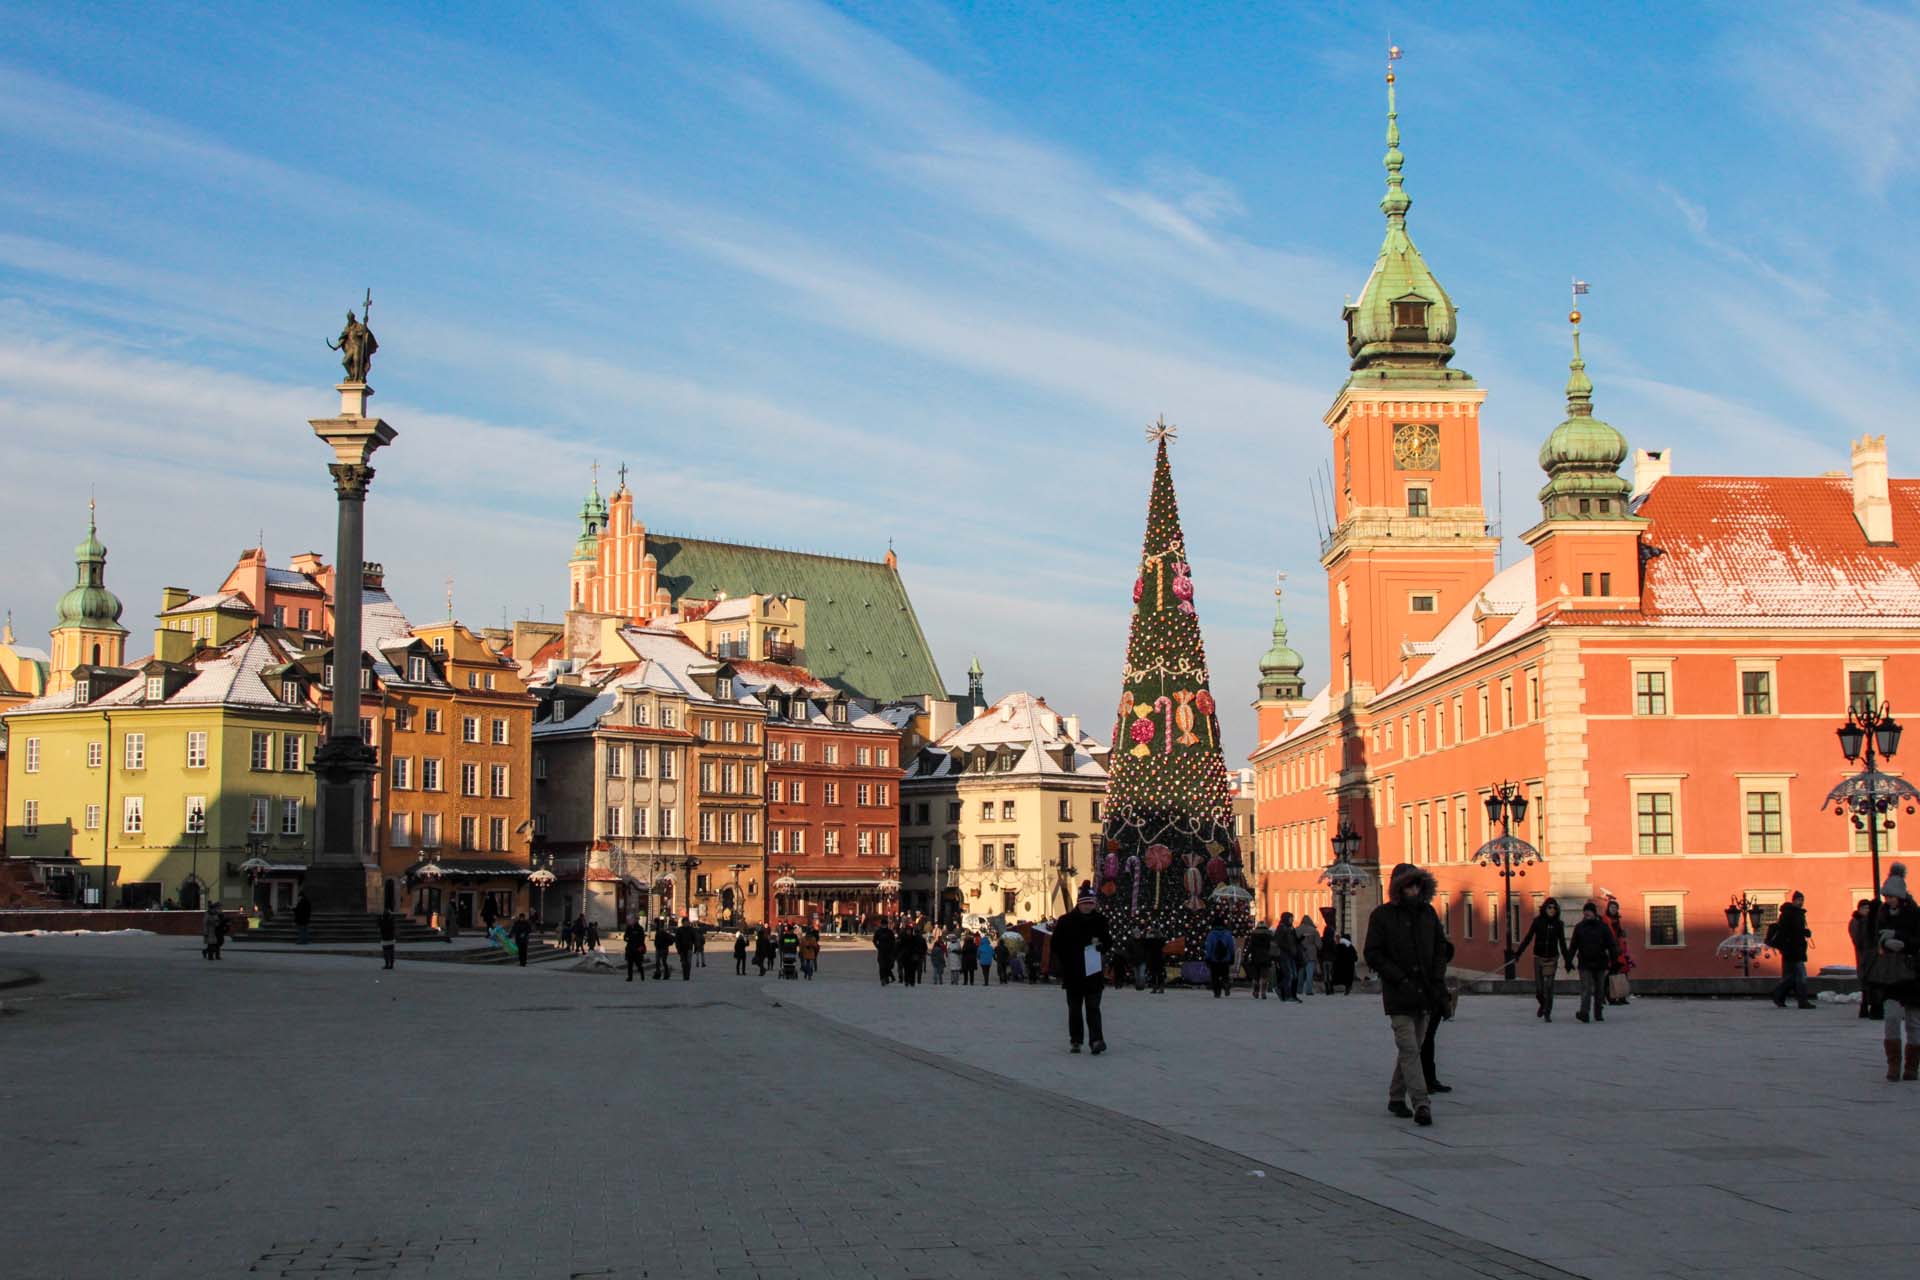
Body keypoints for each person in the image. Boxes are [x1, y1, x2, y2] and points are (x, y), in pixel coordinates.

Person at [1363, 863, 1449, 1126]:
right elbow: (1373, 953)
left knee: (1413, 1047)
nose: (1413, 890)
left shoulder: (1428, 914)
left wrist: (1437, 977)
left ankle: (1396, 1096)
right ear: (1399, 887)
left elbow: (1440, 948)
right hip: (1399, 994)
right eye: (1409, 885)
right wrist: (1398, 977)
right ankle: (1421, 1102)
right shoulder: (1382, 916)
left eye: (1417, 885)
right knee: (1410, 1048)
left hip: (1425, 993)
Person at [1053, 883, 1114, 1054]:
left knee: (1093, 1008)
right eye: (1085, 903)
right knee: (1074, 1010)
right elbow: (1056, 944)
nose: (1088, 906)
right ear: (1079, 903)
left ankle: (1096, 1040)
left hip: (1093, 973)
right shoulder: (1065, 921)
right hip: (1073, 973)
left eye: (1091, 903)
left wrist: (1102, 946)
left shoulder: (1100, 921)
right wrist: (1064, 962)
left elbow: (1108, 941)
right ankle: (1076, 1040)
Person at [1873, 863, 1920, 1081]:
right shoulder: (1881, 914)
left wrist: (1900, 939)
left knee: (1913, 1022)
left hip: (1913, 973)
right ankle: (1893, 1065)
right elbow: (1872, 938)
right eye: (1886, 896)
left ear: (1900, 896)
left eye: (1891, 897)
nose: (1888, 900)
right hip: (1891, 973)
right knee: (1891, 1018)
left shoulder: (1915, 914)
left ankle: (1911, 1067)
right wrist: (1884, 943)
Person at [1513, 899, 1571, 1022]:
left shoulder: (1558, 924)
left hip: (1552, 957)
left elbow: (1562, 943)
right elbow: (1528, 938)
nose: (1552, 910)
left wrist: (1568, 961)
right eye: (1549, 907)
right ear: (1545, 908)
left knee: (1549, 987)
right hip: (1538, 957)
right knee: (1539, 989)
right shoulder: (1537, 922)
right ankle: (1543, 1004)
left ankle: (1547, 1012)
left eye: (1554, 908)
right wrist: (1518, 953)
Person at [1568, 901, 1619, 1023]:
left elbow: (1611, 945)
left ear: (1594, 913)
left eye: (1589, 911)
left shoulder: (1603, 927)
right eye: (1585, 912)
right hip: (1584, 963)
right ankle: (1584, 1012)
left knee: (1599, 989)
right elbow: (1573, 945)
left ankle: (1598, 1012)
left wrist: (1614, 961)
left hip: (1600, 962)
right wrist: (1568, 961)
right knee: (1586, 988)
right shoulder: (1579, 927)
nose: (1587, 914)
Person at [1421, 935, 1457, 1096]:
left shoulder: (1433, 955)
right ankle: (1424, 1081)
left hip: (1432, 1004)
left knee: (1428, 1042)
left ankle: (1430, 1079)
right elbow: (1436, 983)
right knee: (1424, 1043)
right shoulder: (1434, 960)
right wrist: (1444, 1002)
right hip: (1426, 1004)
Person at [1768, 890, 1816, 1009]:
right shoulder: (1791, 914)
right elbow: (1790, 931)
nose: (1801, 902)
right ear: (1794, 900)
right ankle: (1801, 1001)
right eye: (1799, 900)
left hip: (1790, 949)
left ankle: (1779, 996)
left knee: (1790, 977)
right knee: (1801, 976)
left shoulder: (1791, 913)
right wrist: (1804, 932)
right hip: (1793, 949)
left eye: (1802, 900)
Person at [1851, 898, 1882, 1020]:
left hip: (1866, 957)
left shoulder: (1865, 922)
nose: (1867, 910)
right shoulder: (1860, 922)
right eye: (1864, 908)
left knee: (1868, 983)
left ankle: (1865, 1008)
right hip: (1868, 956)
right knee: (1870, 983)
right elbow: (1859, 941)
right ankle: (1871, 1009)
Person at [1604, 898, 1633, 1005]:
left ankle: (1620, 995)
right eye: (1612, 907)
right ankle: (1610, 996)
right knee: (1612, 972)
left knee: (1622, 971)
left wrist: (1622, 934)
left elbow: (1618, 933)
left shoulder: (1617, 920)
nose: (1614, 909)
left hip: (1619, 949)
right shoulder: (1605, 919)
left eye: (1615, 908)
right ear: (1608, 908)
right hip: (1609, 949)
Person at [1273, 912, 1304, 1003]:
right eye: (1291, 918)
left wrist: (1301, 938)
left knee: (1294, 975)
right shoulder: (1281, 928)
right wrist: (1287, 948)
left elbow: (1294, 941)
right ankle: (1286, 994)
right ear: (1286, 918)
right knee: (1289, 975)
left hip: (1292, 955)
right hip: (1284, 955)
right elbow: (1278, 941)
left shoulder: (1291, 928)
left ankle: (1293, 995)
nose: (1292, 920)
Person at [1203, 919, 1236, 997]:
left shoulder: (1211, 934)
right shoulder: (1227, 934)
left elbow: (1208, 947)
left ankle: (1217, 992)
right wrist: (1232, 956)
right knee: (1225, 974)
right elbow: (1231, 946)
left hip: (1214, 959)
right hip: (1225, 959)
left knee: (1215, 976)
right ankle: (1226, 983)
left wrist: (1207, 957)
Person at [1245, 920, 1274, 999]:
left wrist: (1246, 955)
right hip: (1266, 957)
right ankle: (1263, 992)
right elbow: (1271, 946)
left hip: (1255, 957)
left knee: (1256, 976)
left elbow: (1250, 946)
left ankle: (1256, 991)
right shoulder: (1269, 934)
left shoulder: (1254, 934)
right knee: (1264, 976)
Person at [1296, 916, 1322, 997]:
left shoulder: (1297, 930)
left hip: (1300, 953)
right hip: (1311, 953)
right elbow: (1319, 945)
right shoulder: (1314, 931)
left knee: (1300, 972)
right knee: (1309, 973)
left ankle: (1299, 989)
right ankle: (1308, 990)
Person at [1142, 927, 1168, 994]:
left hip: (1154, 959)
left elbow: (1145, 945)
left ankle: (1155, 988)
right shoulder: (1160, 940)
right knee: (1158, 974)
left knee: (1155, 974)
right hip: (1158, 959)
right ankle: (1159, 988)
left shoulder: (1150, 940)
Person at [873, 920, 897, 986]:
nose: (884, 926)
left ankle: (887, 978)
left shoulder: (890, 932)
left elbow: (893, 941)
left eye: (885, 924)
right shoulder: (878, 932)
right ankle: (882, 979)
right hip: (881, 951)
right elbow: (874, 940)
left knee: (887, 966)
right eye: (883, 924)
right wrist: (877, 946)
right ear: (881, 925)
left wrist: (893, 949)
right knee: (881, 966)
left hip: (889, 951)